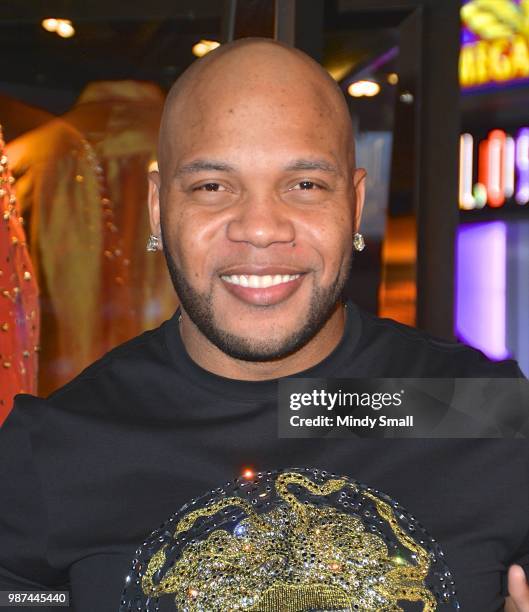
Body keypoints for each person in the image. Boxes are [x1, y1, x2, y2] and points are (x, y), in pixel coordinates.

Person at [0, 38, 528, 612]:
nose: (259, 228)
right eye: (212, 187)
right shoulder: (53, 450)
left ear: (353, 204)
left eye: (304, 185)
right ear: (158, 208)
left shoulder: (482, 410)